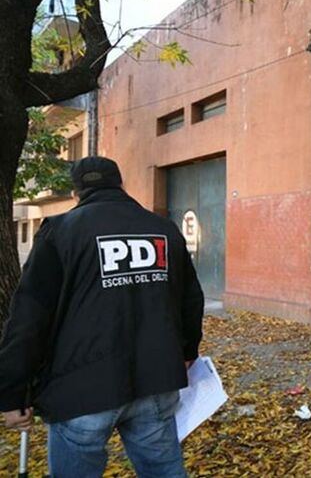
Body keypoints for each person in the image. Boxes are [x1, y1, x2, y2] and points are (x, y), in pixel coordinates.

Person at [0, 157, 204, 477]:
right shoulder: (163, 229)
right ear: (121, 185)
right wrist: (187, 352)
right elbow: (191, 300)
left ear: (76, 193)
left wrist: (11, 392)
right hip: (155, 381)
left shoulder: (60, 231)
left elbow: (29, 318)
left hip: (83, 389)